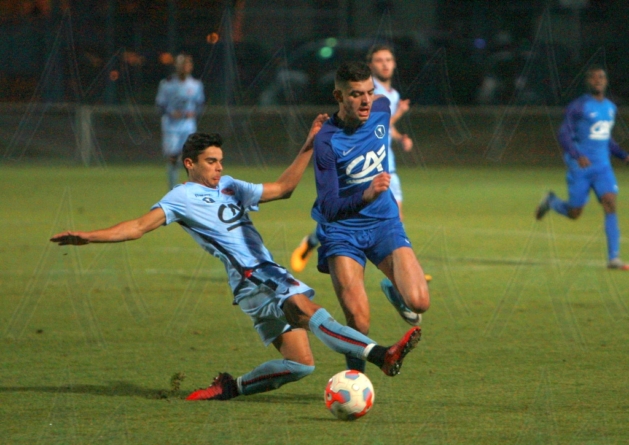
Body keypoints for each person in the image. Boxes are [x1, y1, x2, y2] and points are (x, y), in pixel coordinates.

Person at [50, 115, 421, 402]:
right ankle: (381, 355)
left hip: (249, 283)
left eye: (221, 161)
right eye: (211, 161)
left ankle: (231, 387)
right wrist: (88, 237)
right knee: (306, 309)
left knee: (300, 365)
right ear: (190, 164)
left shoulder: (229, 186)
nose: (219, 168)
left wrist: (309, 143)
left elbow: (284, 189)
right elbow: (136, 227)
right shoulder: (180, 198)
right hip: (255, 274)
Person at [310, 61, 430, 373]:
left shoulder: (382, 108)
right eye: (355, 95)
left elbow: (386, 105)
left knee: (419, 302)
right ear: (338, 96)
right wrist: (365, 195)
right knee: (359, 321)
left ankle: (395, 290)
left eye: (368, 93)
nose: (365, 101)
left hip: (384, 223)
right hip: (342, 231)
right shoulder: (326, 141)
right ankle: (354, 382)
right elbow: (328, 207)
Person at [536, 66, 629, 270]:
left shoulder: (610, 108)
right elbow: (564, 134)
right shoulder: (578, 107)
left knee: (610, 203)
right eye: (594, 77)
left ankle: (614, 258)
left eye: (602, 77)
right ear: (588, 81)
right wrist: (577, 155)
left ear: (606, 81)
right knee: (575, 212)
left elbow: (606, 139)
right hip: (580, 166)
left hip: (603, 167)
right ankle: (551, 201)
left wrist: (623, 155)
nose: (598, 80)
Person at [156, 53, 205, 190]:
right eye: (181, 64)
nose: (184, 67)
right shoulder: (167, 84)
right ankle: (172, 188)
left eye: (187, 64)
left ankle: (194, 188)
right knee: (173, 157)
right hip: (171, 126)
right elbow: (160, 105)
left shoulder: (196, 85)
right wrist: (171, 113)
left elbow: (200, 104)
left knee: (191, 157)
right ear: (176, 66)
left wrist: (194, 113)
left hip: (188, 126)